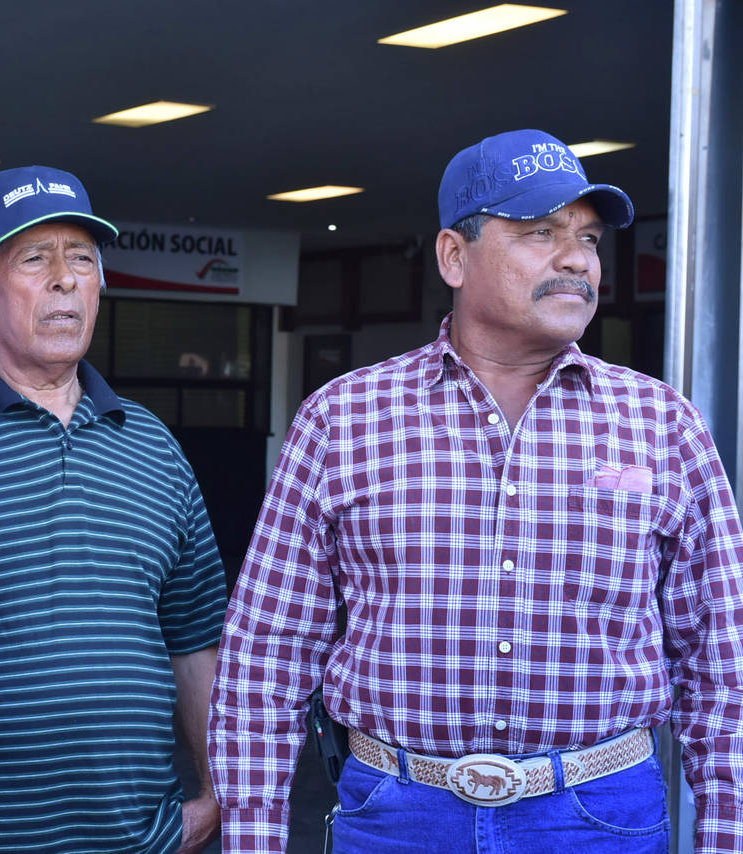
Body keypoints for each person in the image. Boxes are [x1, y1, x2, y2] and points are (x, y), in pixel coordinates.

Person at [208, 128, 743, 854]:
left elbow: (722, 661)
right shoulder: (343, 419)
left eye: (587, 238)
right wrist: (252, 836)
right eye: (540, 232)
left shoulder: (662, 423)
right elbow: (267, 653)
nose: (576, 259)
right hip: (397, 817)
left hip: (599, 819)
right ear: (453, 256)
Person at [0, 165, 227, 853]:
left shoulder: (153, 445)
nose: (65, 280)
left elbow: (194, 637)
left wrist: (213, 799)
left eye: (82, 259)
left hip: (140, 841)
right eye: (34, 259)